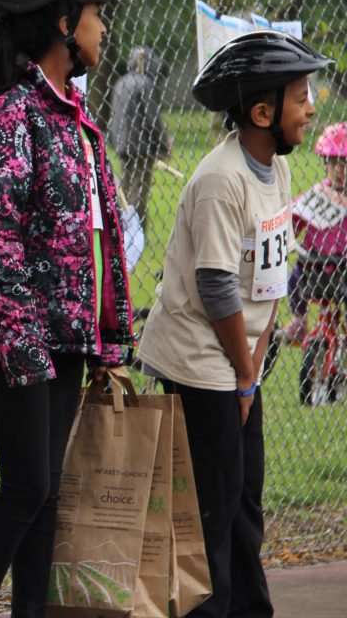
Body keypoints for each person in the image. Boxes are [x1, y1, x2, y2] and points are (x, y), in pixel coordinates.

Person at [0, 0, 135, 617]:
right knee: (25, 485)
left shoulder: (73, 118)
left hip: (65, 335)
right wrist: (26, 348)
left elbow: (97, 239)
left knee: (48, 491)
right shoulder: (9, 119)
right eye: (94, 14)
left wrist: (103, 334)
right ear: (60, 21)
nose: (103, 28)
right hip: (16, 336)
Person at [137, 30, 331, 617]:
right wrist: (245, 377)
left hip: (239, 363)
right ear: (262, 111)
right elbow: (216, 285)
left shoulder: (275, 170)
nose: (312, 109)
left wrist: (254, 366)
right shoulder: (221, 180)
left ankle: (251, 609)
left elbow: (269, 281)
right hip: (200, 360)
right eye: (301, 98)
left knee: (246, 500)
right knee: (212, 510)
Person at [279, 122, 347, 356]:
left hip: (343, 266)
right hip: (312, 265)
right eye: (333, 163)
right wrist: (286, 235)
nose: (339, 171)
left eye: (345, 164)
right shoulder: (320, 193)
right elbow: (296, 218)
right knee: (293, 281)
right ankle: (299, 321)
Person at [107, 45, 172, 234]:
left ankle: (122, 228)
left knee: (125, 187)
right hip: (141, 146)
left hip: (121, 143)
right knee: (140, 189)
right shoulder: (145, 83)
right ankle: (137, 232)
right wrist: (163, 145)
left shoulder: (120, 82)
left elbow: (114, 114)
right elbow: (153, 119)